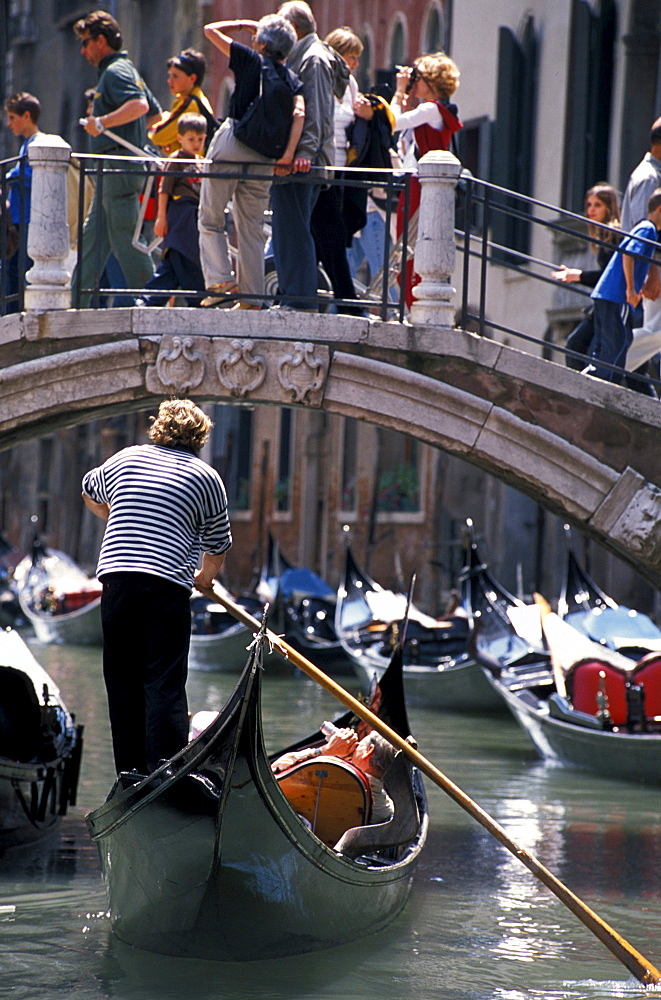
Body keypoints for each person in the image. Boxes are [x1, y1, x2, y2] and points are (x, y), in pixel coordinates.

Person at [81, 398, 232, 775]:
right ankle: (164, 773)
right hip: (166, 588)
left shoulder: (126, 458)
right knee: (163, 683)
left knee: (122, 682)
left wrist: (115, 512)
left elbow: (88, 489)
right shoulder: (206, 477)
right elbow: (218, 545)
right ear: (199, 437)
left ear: (158, 428)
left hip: (118, 582)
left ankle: (130, 774)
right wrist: (205, 579)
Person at [198, 14, 304, 310]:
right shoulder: (292, 78)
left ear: (264, 42)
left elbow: (210, 30)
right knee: (251, 228)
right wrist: (286, 156)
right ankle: (252, 298)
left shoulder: (249, 59)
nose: (252, 39)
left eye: (257, 36)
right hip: (265, 157)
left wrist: (244, 23)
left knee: (210, 217)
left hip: (233, 143)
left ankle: (221, 281)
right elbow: (299, 115)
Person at [74, 9, 161, 305]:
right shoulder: (123, 69)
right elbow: (156, 114)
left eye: (86, 43)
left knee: (125, 237)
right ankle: (76, 304)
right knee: (92, 241)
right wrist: (130, 135)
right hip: (112, 169)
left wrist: (103, 124)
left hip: (118, 168)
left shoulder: (115, 72)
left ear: (101, 41)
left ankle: (154, 303)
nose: (83, 50)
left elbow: (139, 106)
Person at [270, 2, 338, 311]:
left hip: (301, 162)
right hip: (299, 159)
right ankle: (292, 295)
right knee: (288, 229)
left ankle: (298, 301)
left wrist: (306, 154)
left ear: (295, 30)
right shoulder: (310, 56)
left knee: (293, 230)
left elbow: (317, 112)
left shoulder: (313, 59)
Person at [389, 52, 462, 310]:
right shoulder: (439, 111)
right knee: (411, 250)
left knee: (408, 249)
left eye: (417, 77)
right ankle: (413, 306)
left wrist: (399, 93)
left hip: (419, 188)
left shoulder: (431, 109)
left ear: (430, 81)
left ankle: (411, 307)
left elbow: (393, 121)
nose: (413, 82)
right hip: (422, 185)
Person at [309, 26, 371, 315]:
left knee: (323, 235)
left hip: (341, 170)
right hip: (318, 167)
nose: (356, 63)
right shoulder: (319, 76)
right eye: (351, 56)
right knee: (329, 233)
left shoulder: (351, 84)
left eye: (358, 57)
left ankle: (291, 291)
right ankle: (347, 301)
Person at [585, 188, 661, 382]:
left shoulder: (641, 227)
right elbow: (629, 254)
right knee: (620, 344)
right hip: (617, 295)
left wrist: (640, 284)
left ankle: (592, 379)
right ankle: (610, 388)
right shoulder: (649, 230)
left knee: (606, 345)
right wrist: (630, 289)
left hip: (605, 293)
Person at [552, 183, 621, 370]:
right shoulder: (605, 234)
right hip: (607, 303)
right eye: (589, 204)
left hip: (613, 305)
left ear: (609, 207)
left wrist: (579, 276)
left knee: (576, 345)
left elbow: (612, 277)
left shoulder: (613, 234)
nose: (591, 210)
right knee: (632, 367)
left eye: (597, 205)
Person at [140, 112, 207, 306]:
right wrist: (161, 218)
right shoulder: (176, 159)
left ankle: (149, 300)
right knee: (182, 256)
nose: (196, 143)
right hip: (180, 214)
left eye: (200, 139)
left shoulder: (200, 162)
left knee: (176, 262)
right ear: (180, 138)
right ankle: (198, 300)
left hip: (194, 216)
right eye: (191, 139)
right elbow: (164, 189)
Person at [272, 726, 396, 823]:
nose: (354, 747)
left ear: (368, 752)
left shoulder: (327, 781)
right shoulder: (385, 809)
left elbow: (275, 772)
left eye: (359, 745)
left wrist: (324, 751)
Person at [620, 118, 661, 377]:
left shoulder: (652, 174)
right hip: (655, 267)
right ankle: (608, 360)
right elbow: (641, 229)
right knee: (656, 331)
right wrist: (651, 271)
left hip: (654, 264)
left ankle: (609, 361)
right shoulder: (650, 177)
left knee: (656, 332)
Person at [2, 92, 41, 314]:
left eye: (12, 117)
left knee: (19, 274)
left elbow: (31, 175)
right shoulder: (26, 145)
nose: (9, 124)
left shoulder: (36, 144)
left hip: (27, 219)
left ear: (26, 116)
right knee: (11, 274)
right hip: (18, 218)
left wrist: (8, 179)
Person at [149, 49, 217, 154]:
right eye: (169, 75)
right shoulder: (196, 98)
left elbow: (158, 136)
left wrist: (160, 121)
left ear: (192, 78)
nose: (169, 81)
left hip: (192, 167)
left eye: (175, 76)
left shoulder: (190, 105)